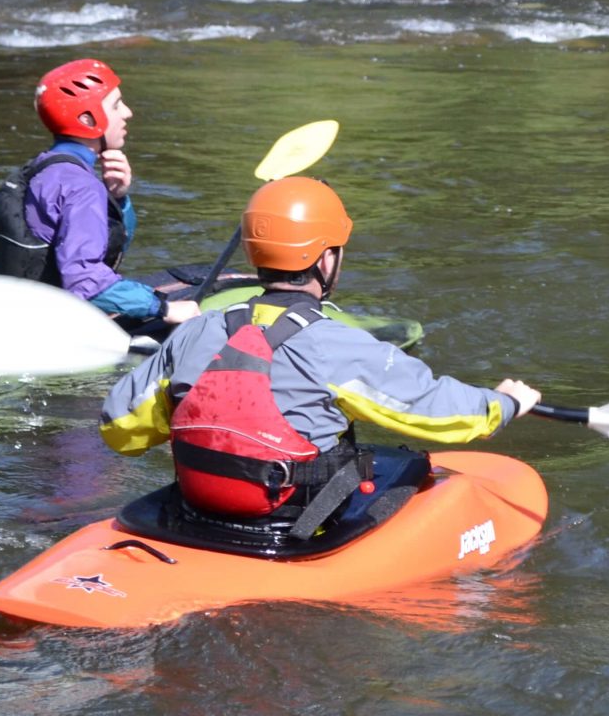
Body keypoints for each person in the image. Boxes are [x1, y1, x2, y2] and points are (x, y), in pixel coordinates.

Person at [99, 177, 540, 534]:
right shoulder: (337, 344)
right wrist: (503, 405)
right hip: (292, 523)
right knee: (399, 462)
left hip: (199, 510)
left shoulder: (196, 331)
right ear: (326, 260)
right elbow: (431, 411)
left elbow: (119, 428)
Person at [0, 58, 198, 328]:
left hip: (25, 311)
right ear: (88, 119)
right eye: (116, 105)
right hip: (54, 325)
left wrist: (118, 199)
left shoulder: (42, 167)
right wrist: (164, 308)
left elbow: (101, 250)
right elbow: (84, 279)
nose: (128, 113)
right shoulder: (82, 186)